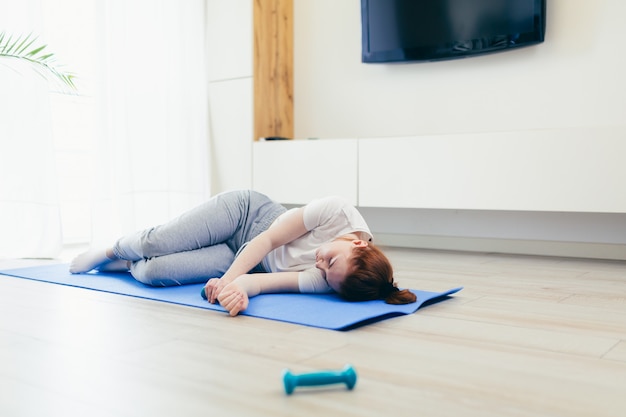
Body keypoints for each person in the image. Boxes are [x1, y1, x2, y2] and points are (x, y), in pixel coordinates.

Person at [70, 190, 416, 316]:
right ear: (359, 243)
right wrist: (226, 280)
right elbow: (265, 241)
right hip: (246, 217)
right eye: (330, 261)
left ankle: (126, 263)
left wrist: (235, 293)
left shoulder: (331, 281)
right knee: (153, 244)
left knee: (154, 273)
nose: (319, 265)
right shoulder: (336, 212)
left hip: (246, 261)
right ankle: (108, 250)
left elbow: (263, 284)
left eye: (326, 273)